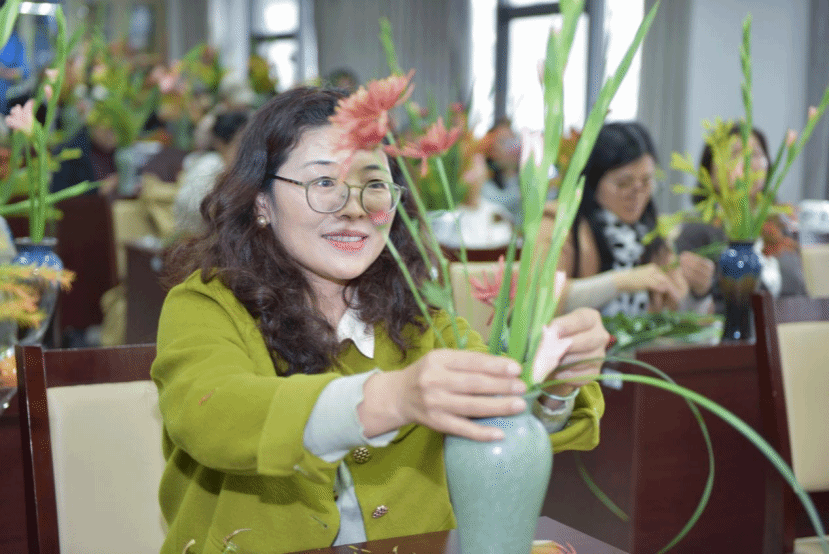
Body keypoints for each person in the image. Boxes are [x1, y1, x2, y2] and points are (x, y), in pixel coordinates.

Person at [152, 87, 609, 553]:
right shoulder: (206, 306)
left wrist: (554, 383)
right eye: (323, 182)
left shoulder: (420, 316)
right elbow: (212, 414)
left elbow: (502, 423)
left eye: (373, 185)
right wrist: (391, 398)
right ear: (260, 201)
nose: (354, 207)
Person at [542, 122, 714, 316]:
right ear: (593, 182)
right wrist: (620, 281)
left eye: (646, 181)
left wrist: (699, 294)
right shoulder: (559, 223)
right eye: (624, 183)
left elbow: (677, 312)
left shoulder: (651, 232)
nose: (637, 194)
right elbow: (540, 297)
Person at [675, 125, 807, 306]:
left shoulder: (781, 225)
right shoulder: (698, 230)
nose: (747, 162)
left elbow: (802, 293)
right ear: (710, 173)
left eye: (756, 154)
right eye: (735, 153)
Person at [173, 110, 251, 235]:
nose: (246, 152)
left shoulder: (230, 168)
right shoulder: (212, 164)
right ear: (221, 143)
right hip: (198, 236)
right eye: (240, 143)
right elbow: (190, 206)